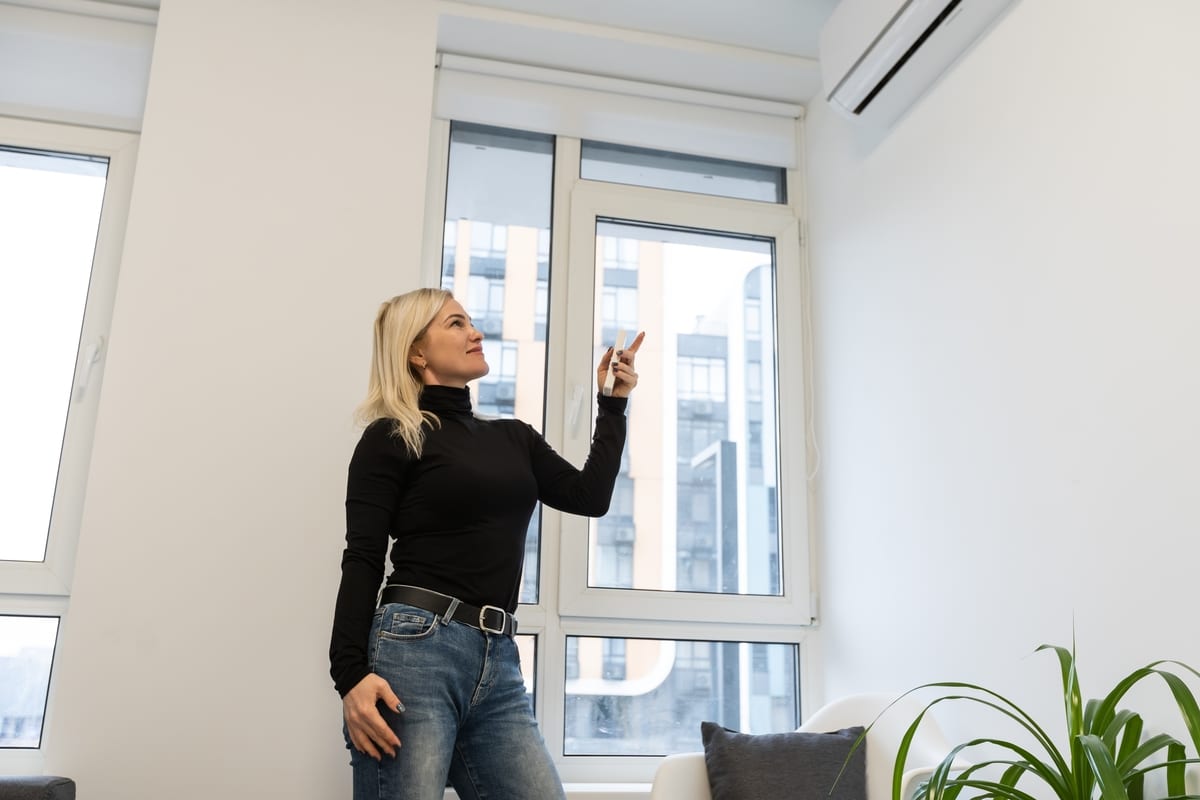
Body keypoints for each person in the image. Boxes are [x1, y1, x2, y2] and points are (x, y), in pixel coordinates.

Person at [329, 288, 644, 800]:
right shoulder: (392, 436)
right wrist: (349, 676)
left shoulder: (514, 438)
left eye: (471, 322)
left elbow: (590, 497)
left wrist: (612, 405)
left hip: (497, 660)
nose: (475, 332)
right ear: (416, 351)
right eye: (456, 324)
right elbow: (361, 556)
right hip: (415, 650)